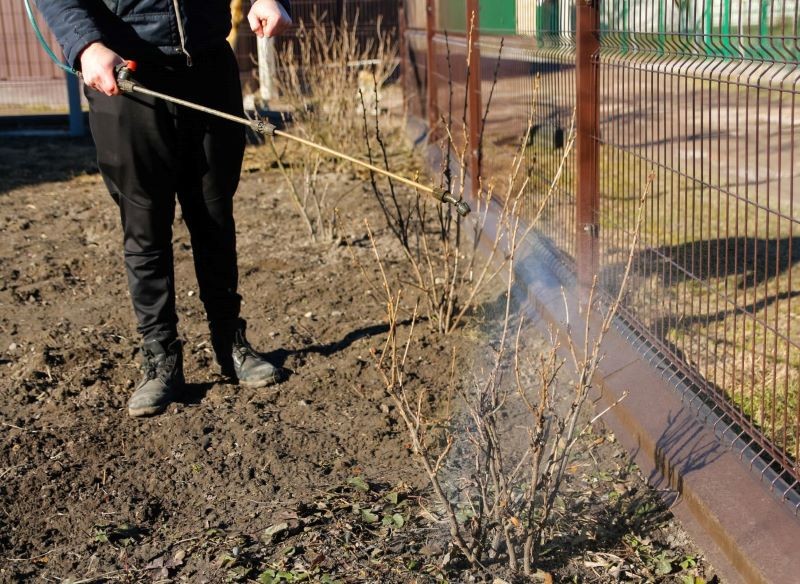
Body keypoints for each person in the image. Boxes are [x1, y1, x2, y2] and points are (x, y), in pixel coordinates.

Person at [37, 0, 292, 417]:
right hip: (126, 71)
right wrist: (85, 46)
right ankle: (160, 359)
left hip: (208, 65)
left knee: (214, 214)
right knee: (145, 222)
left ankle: (230, 343)